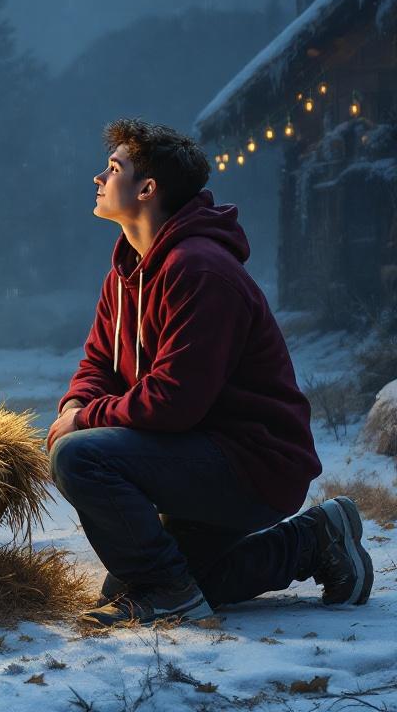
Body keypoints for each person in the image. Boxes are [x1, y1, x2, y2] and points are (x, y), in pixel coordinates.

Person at [48, 119, 371, 628]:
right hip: (198, 455)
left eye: (113, 169)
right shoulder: (127, 272)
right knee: (140, 579)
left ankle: (168, 594)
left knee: (79, 457)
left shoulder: (199, 270)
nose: (98, 178)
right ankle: (316, 541)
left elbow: (175, 402)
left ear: (147, 189)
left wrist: (84, 421)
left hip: (252, 463)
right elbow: (97, 365)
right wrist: (75, 404)